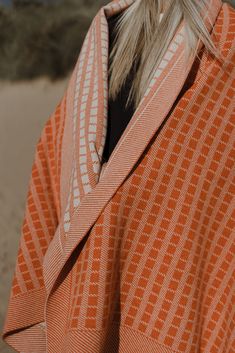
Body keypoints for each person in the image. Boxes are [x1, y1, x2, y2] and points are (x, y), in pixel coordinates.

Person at [2, 0, 235, 352]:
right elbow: (57, 144)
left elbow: (217, 191)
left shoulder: (226, 42)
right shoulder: (106, 31)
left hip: (169, 292)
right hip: (87, 289)